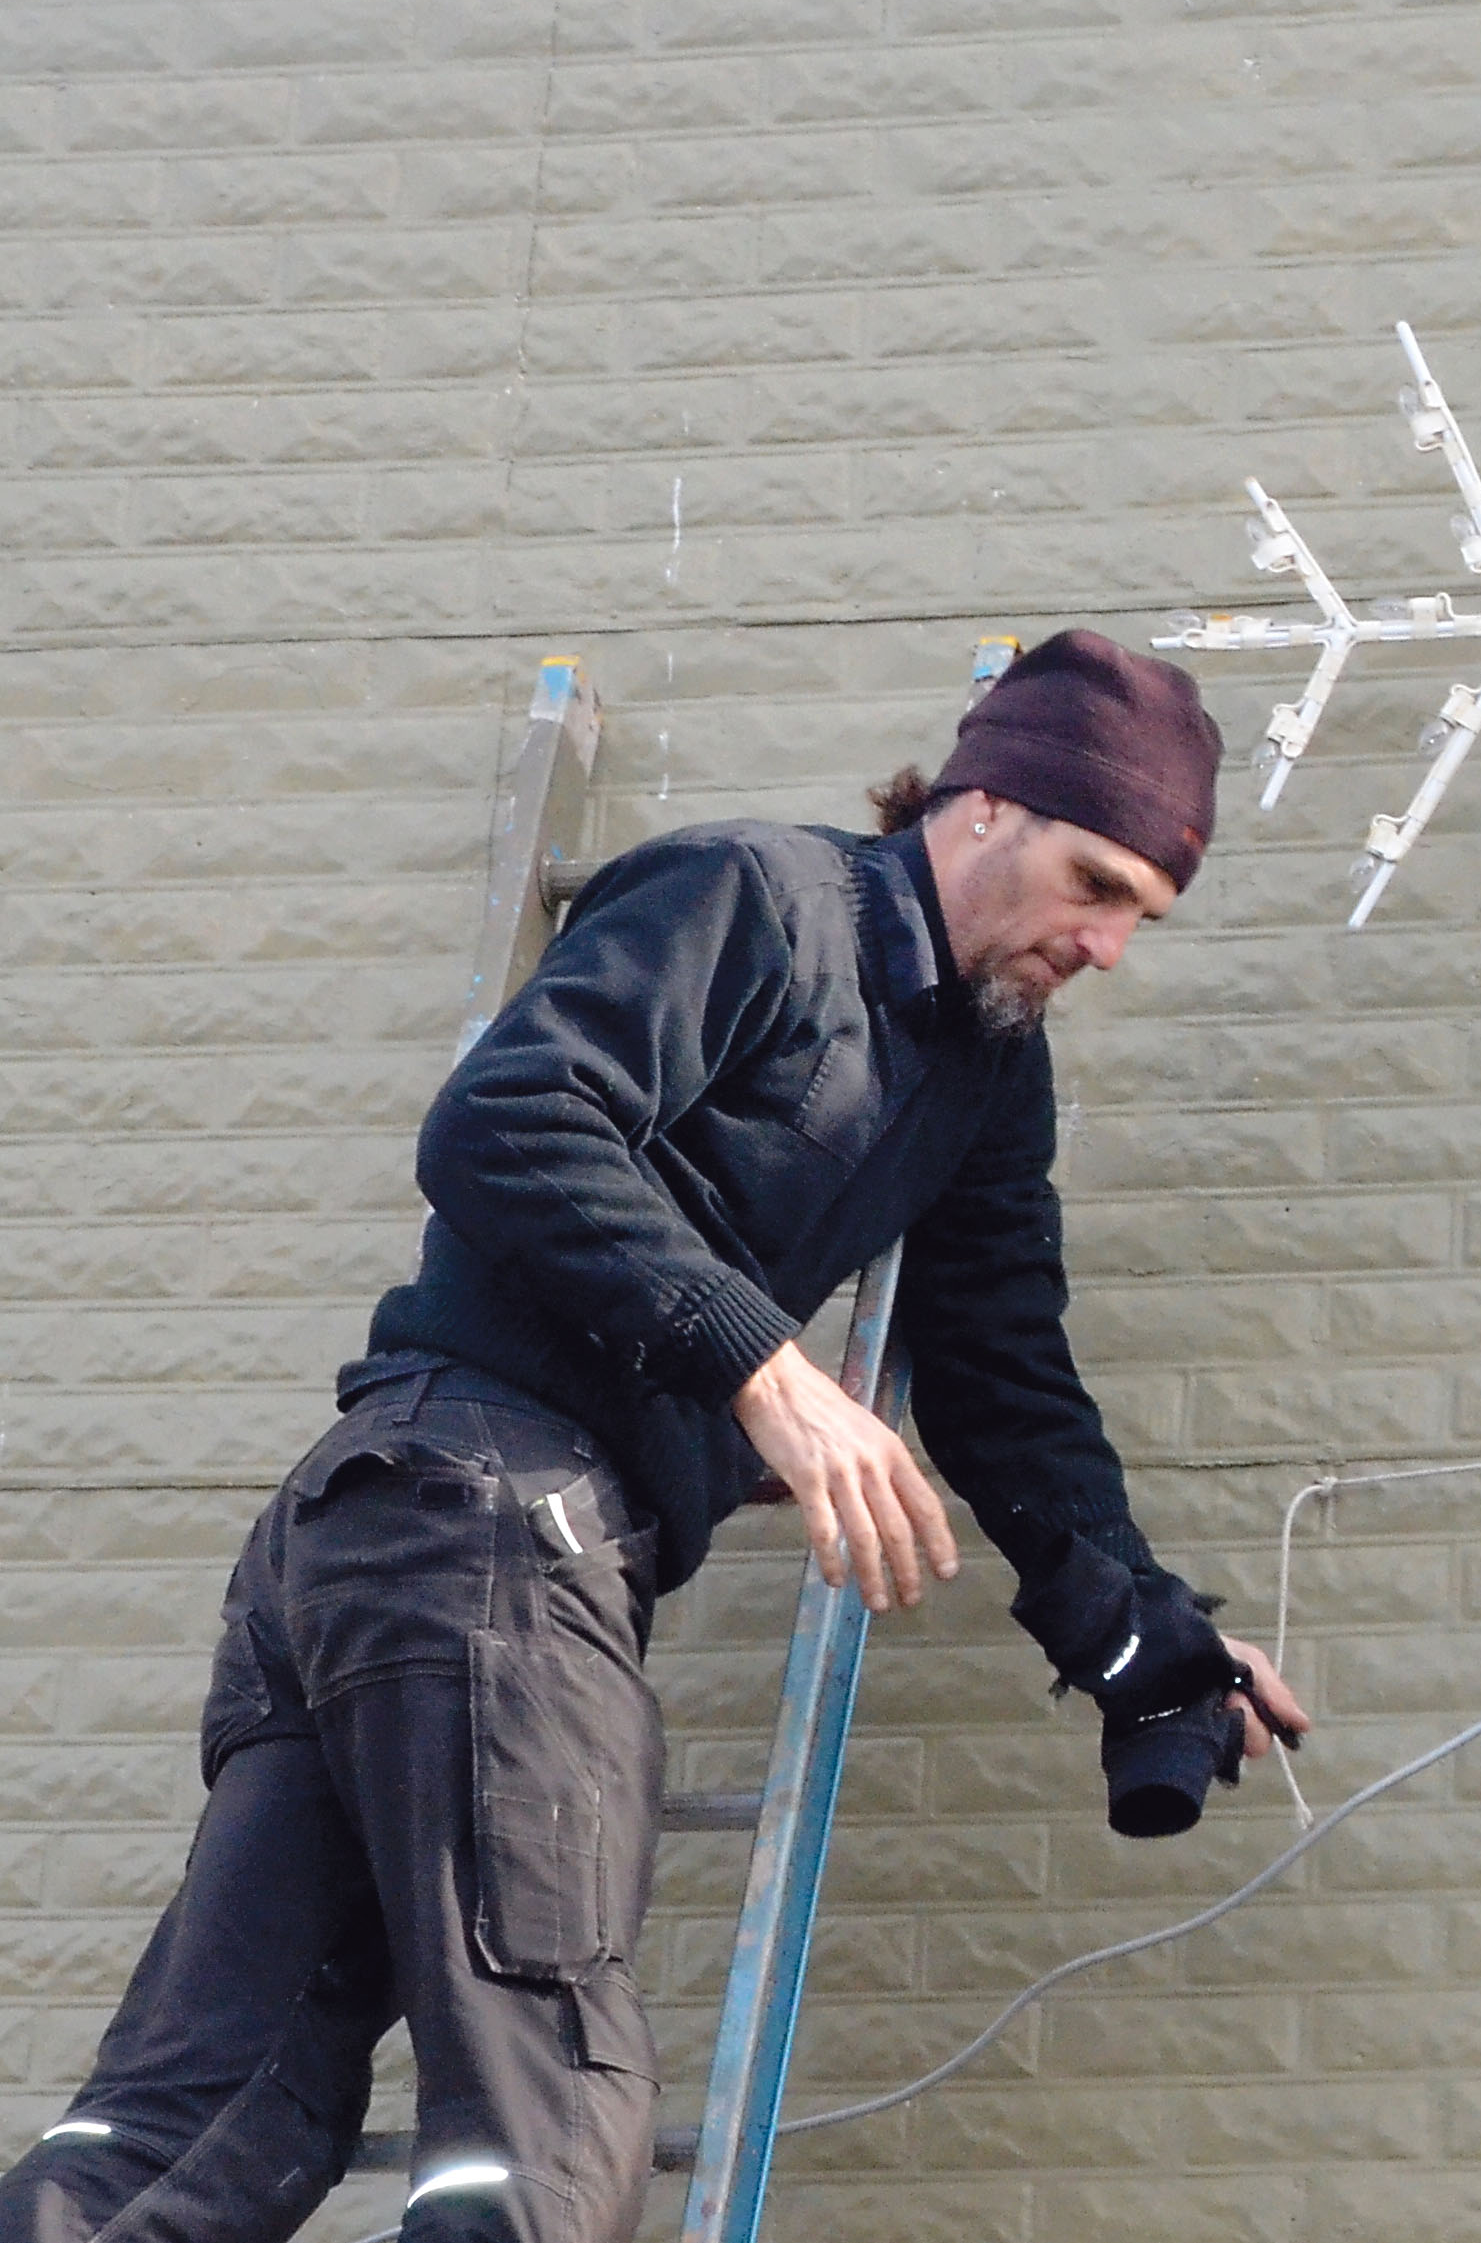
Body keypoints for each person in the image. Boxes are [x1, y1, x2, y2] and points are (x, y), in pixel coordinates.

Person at [0, 630, 1312, 2243]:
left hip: (394, 1559)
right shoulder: (760, 900)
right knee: (542, 2139)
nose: (1108, 947)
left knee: (199, 2126)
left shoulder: (985, 1078)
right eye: (1096, 886)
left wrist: (1148, 1643)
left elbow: (1004, 1377)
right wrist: (764, 1363)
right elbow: (505, 1114)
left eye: (1140, 920)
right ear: (984, 807)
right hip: (481, 1530)